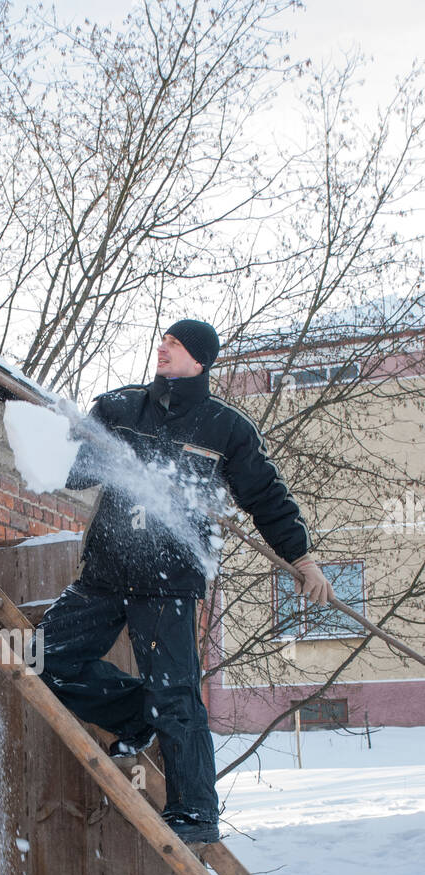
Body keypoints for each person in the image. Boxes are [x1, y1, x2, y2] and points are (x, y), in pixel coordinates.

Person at [35, 318, 334, 844]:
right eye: (162, 340)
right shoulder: (119, 408)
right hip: (105, 573)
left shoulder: (227, 429)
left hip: (170, 581)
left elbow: (265, 496)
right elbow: (74, 471)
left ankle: (195, 812)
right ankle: (134, 712)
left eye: (174, 343)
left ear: (200, 358)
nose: (162, 348)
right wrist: (57, 442)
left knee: (176, 695)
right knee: (39, 658)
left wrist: (301, 557)